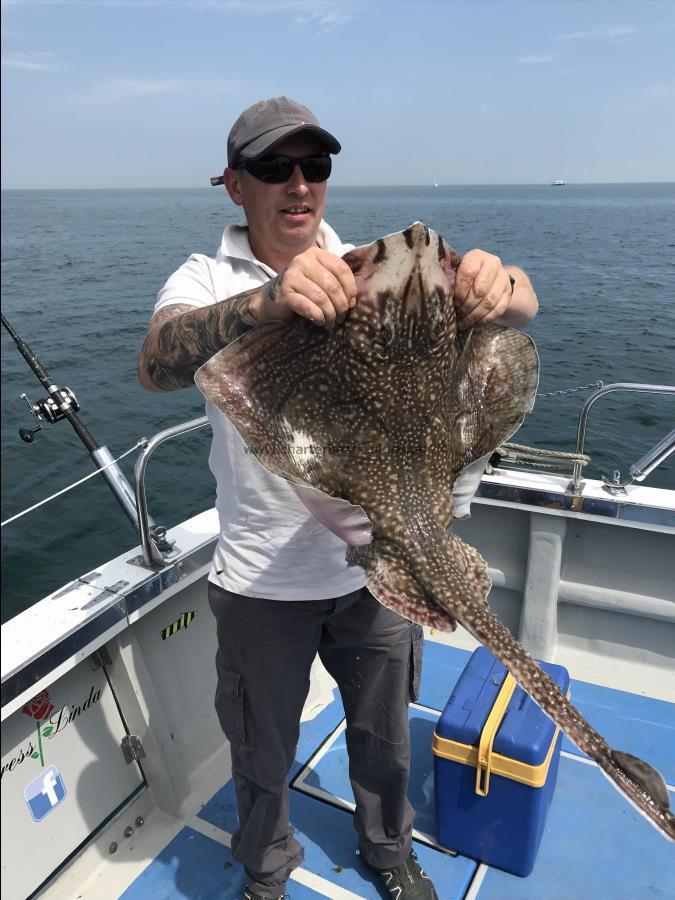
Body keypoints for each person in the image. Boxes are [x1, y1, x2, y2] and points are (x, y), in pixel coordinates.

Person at [137, 96, 538, 900]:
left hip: (379, 566)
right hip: (260, 583)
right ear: (232, 185)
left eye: (313, 167)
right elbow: (157, 363)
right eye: (273, 167)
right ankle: (264, 871)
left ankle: (388, 852)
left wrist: (502, 284)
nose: (297, 184)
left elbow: (521, 301)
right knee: (260, 749)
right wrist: (270, 301)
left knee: (384, 738)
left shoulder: (368, 268)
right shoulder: (206, 277)